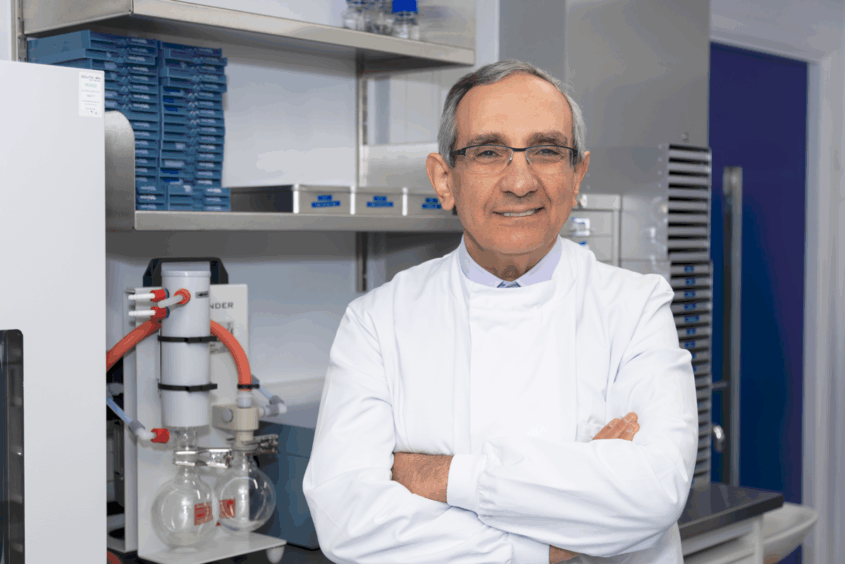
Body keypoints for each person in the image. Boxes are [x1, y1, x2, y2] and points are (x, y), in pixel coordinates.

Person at [303, 60, 698, 564]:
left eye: (546, 151)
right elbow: (349, 524)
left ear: (577, 175)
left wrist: (441, 476)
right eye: (489, 151)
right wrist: (548, 546)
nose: (520, 181)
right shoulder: (378, 322)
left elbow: (653, 493)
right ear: (444, 180)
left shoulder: (636, 307)